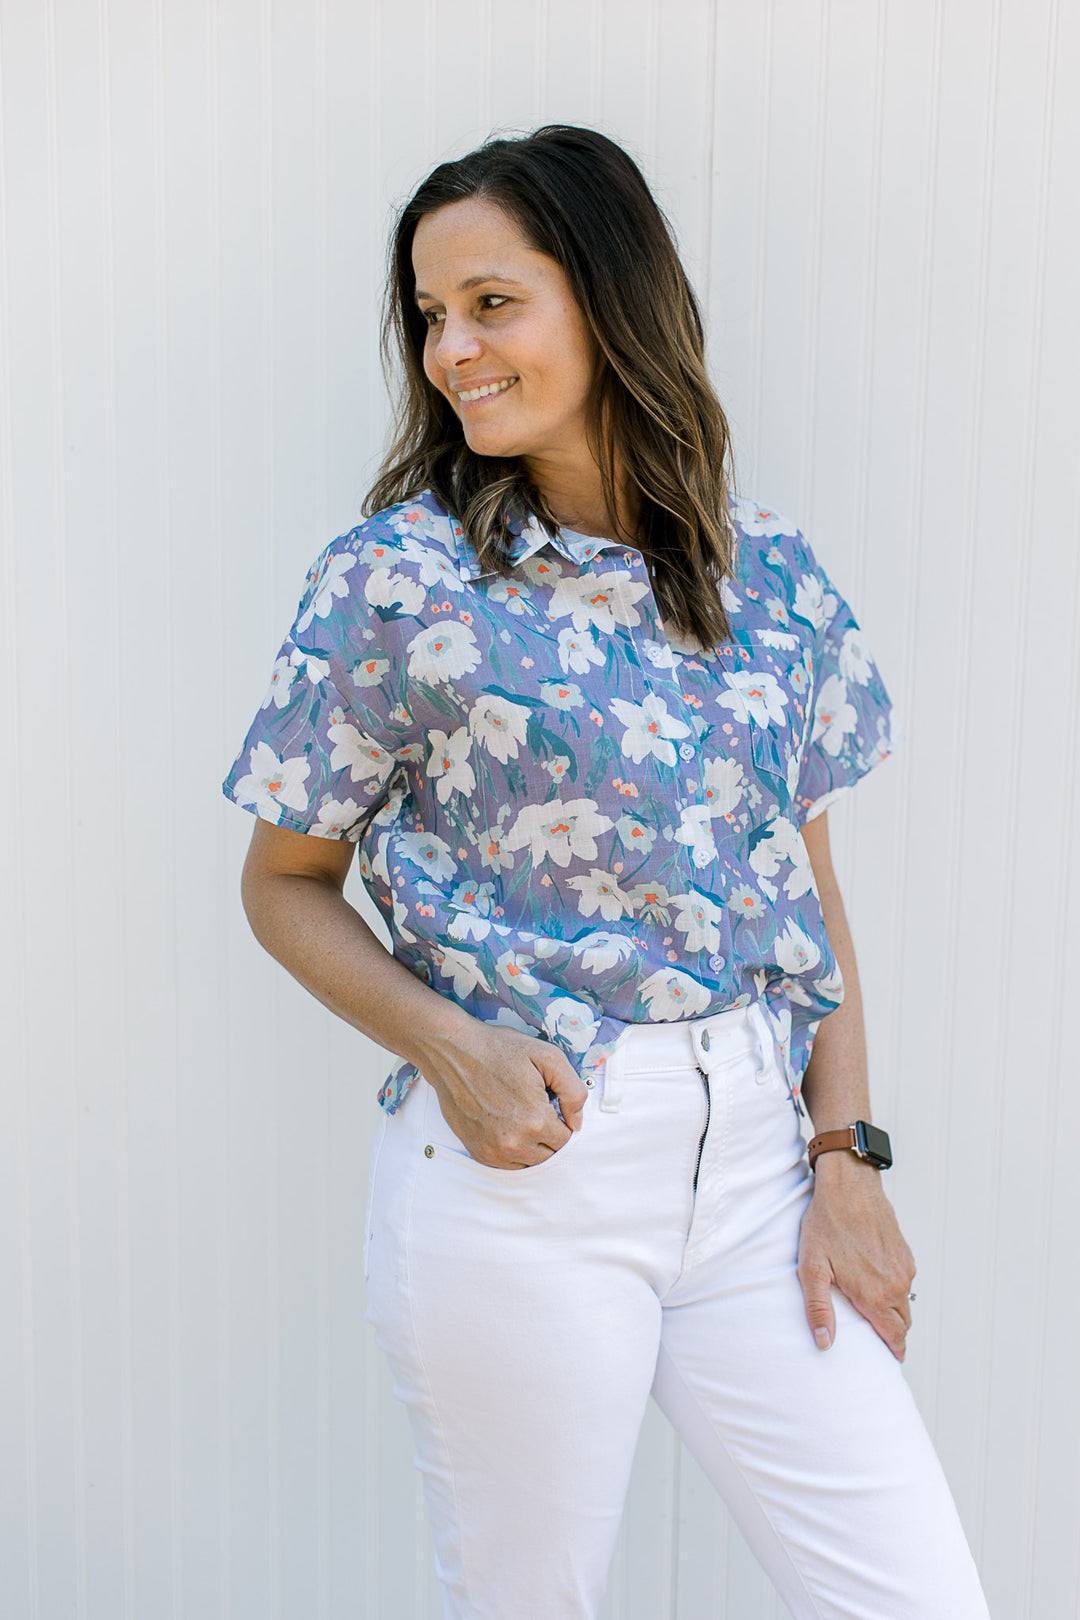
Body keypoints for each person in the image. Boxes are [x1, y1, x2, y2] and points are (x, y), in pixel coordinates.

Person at [222, 125, 991, 1619]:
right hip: (527, 1177)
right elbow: (281, 883)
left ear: (609, 296)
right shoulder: (399, 580)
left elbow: (807, 904)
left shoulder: (769, 575)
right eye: (432, 315)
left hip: (762, 1170)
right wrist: (449, 1047)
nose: (452, 350)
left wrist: (851, 1158)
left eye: (491, 302)